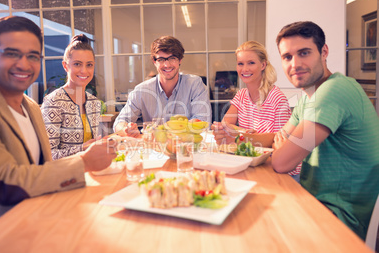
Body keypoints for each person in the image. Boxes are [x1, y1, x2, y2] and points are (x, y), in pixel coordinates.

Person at [0, 16, 116, 230]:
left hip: (42, 215)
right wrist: (84, 161)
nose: (23, 64)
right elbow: (5, 183)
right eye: (11, 53)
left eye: (32, 56)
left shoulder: (31, 107)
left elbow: (45, 165)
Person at [272, 21, 379, 240]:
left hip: (340, 218)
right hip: (316, 202)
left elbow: (281, 162)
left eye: (304, 53)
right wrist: (283, 144)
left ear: (324, 51)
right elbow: (280, 136)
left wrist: (285, 146)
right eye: (287, 57)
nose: (295, 64)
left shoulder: (333, 92)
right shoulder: (309, 95)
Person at [211, 41, 300, 178]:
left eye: (251, 63)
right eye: (240, 63)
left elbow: (278, 142)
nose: (244, 69)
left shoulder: (277, 99)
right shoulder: (241, 95)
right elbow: (224, 126)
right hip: (254, 165)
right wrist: (244, 131)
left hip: (281, 171)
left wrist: (239, 136)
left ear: (263, 65)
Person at [113, 36, 212, 137]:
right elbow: (119, 122)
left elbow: (203, 122)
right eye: (161, 59)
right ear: (154, 61)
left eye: (172, 58)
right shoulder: (141, 90)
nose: (167, 65)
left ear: (180, 60)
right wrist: (126, 129)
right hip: (154, 149)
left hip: (187, 147)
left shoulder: (194, 84)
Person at [41, 34, 101, 160]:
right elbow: (48, 155)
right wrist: (82, 148)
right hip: (64, 176)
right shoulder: (54, 102)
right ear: (65, 66)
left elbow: (92, 144)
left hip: (91, 170)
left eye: (89, 65)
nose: (84, 71)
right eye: (77, 64)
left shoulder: (94, 102)